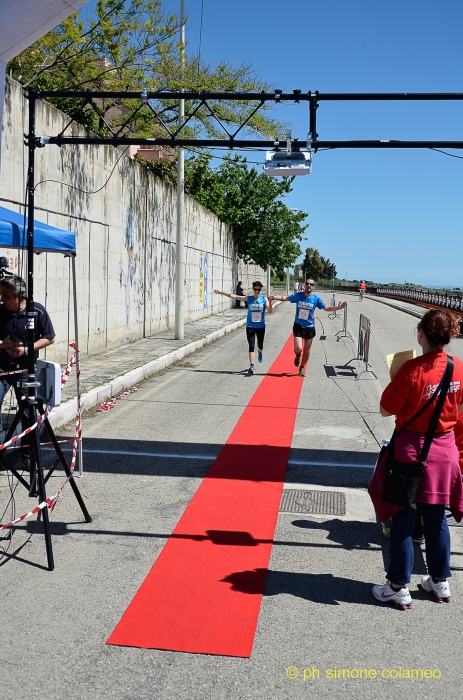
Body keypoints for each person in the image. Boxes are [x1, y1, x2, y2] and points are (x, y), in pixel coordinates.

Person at [371, 309, 463, 609]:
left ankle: (398, 586)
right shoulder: (458, 368)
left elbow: (386, 409)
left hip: (412, 453)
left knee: (404, 517)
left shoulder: (412, 369)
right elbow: (459, 410)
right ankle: (439, 583)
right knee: (436, 518)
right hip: (445, 452)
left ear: (421, 334)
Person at [0, 276, 55, 467]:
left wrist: (27, 349)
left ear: (20, 296)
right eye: (1, 296)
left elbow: (49, 337)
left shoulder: (36, 311)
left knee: (29, 412)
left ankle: (27, 456)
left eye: (6, 296)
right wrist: (3, 344)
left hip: (25, 369)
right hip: (2, 369)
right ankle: (1, 450)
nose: (2, 300)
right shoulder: (1, 311)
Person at [270, 278, 347, 377]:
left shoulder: (316, 298)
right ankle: (298, 355)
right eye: (307, 284)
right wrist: (274, 297)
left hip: (309, 327)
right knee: (298, 348)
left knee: (307, 350)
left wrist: (337, 308)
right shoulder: (298, 295)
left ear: (313, 287)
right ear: (304, 285)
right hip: (298, 326)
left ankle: (302, 367)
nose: (309, 286)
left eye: (311, 284)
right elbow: (286, 298)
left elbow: (326, 308)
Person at [214, 281, 272, 375]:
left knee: (260, 345)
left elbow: (269, 311)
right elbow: (235, 296)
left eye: (259, 290)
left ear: (261, 290)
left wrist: (270, 302)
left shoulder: (264, 299)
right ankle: (252, 366)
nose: (257, 291)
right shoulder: (248, 298)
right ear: (253, 289)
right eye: (255, 289)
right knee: (251, 346)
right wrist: (221, 292)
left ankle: (260, 352)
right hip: (250, 326)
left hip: (261, 326)